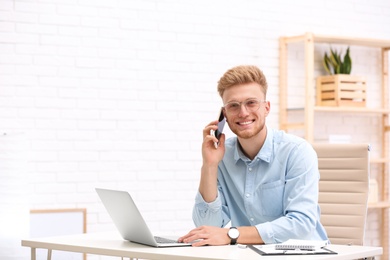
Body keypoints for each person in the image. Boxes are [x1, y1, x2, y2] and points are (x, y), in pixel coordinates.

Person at [178, 65, 328, 246]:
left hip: (303, 255)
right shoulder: (222, 157)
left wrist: (231, 235)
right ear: (224, 115)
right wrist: (209, 165)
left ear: (266, 108)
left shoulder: (297, 152)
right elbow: (207, 227)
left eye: (251, 103)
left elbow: (301, 224)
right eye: (233, 105)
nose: (243, 113)